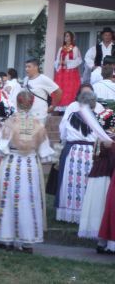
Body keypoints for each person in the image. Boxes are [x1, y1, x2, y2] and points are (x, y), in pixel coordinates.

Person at [0, 91, 54, 253]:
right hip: (30, 165)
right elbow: (45, 153)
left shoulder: (10, 123)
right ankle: (27, 241)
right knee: (29, 200)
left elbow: (1, 149)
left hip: (12, 163)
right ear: (32, 103)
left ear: (17, 102)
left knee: (8, 199)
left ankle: (8, 239)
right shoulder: (38, 123)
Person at [55, 91, 102, 223]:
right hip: (91, 153)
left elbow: (63, 135)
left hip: (73, 152)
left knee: (71, 181)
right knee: (87, 183)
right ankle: (85, 213)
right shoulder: (98, 118)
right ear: (93, 104)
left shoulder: (71, 117)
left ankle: (69, 212)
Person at [78, 107, 115, 246]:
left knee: (97, 204)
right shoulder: (108, 138)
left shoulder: (101, 137)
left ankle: (101, 241)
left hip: (97, 172)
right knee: (103, 205)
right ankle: (103, 239)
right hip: (107, 174)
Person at [24, 58, 63, 124]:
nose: (26, 69)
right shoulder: (26, 79)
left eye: (29, 67)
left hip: (39, 115)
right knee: (26, 134)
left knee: (37, 134)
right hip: (27, 114)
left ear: (36, 67)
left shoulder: (43, 79)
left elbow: (59, 92)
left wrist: (53, 106)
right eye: (26, 67)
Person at [54, 31, 83, 110]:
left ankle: (70, 107)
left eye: (68, 36)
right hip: (62, 72)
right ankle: (60, 107)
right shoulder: (61, 48)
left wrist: (67, 63)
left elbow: (79, 60)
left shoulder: (75, 48)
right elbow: (57, 60)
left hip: (71, 72)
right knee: (61, 89)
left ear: (72, 38)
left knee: (70, 89)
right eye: (65, 36)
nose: (66, 38)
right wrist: (59, 63)